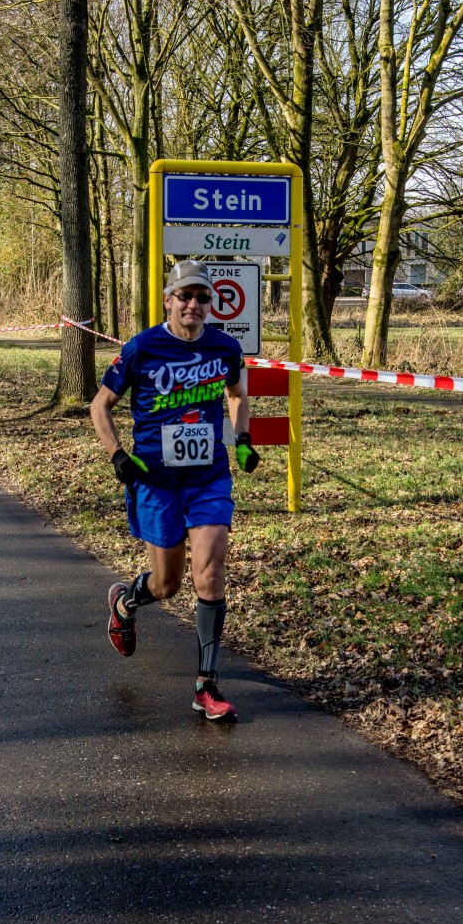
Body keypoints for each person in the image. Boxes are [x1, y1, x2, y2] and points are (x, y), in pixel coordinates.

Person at [90, 259, 260, 721]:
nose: (193, 304)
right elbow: (100, 406)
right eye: (185, 296)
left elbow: (237, 394)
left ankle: (206, 685)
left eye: (202, 297)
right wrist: (118, 456)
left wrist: (243, 437)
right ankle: (126, 601)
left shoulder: (225, 347)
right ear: (168, 300)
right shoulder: (142, 348)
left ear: (211, 303)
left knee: (211, 573)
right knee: (167, 584)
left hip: (208, 478)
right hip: (156, 481)